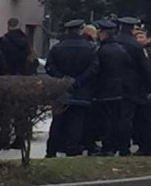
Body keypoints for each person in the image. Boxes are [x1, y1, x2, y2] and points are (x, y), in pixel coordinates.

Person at [45, 19, 99, 158]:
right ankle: (72, 148)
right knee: (76, 123)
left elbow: (49, 67)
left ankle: (51, 151)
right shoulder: (90, 48)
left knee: (57, 122)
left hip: (61, 92)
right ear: (80, 30)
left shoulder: (57, 48)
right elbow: (93, 69)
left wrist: (63, 79)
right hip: (81, 92)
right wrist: (78, 81)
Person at [92, 20, 131, 157]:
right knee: (117, 119)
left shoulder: (101, 50)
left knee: (106, 120)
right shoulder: (121, 50)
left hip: (104, 90)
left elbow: (96, 70)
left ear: (103, 33)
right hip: (120, 90)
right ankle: (119, 146)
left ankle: (107, 147)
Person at [115, 17, 151, 156]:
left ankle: (113, 145)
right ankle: (126, 148)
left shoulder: (113, 41)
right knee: (129, 117)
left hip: (112, 85)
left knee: (114, 117)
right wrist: (149, 87)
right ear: (132, 29)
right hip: (132, 87)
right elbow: (145, 68)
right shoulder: (136, 46)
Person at [132, 27, 151, 156]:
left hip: (146, 91)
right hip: (144, 90)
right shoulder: (143, 51)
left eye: (141, 37)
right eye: (136, 37)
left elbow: (149, 72)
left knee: (145, 119)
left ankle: (146, 146)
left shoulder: (148, 52)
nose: (138, 39)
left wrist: (149, 89)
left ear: (148, 39)